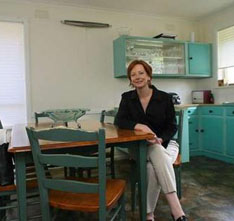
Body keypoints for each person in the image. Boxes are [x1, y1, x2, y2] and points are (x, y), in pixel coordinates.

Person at [115, 60, 188, 221]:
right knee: (154, 154)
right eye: (133, 74)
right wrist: (139, 125)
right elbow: (119, 121)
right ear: (130, 79)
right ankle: (177, 211)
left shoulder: (164, 98)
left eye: (141, 73)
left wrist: (161, 139)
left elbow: (172, 126)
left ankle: (148, 214)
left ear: (149, 76)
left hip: (167, 144)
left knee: (151, 166)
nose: (137, 77)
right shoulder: (127, 98)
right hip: (140, 147)